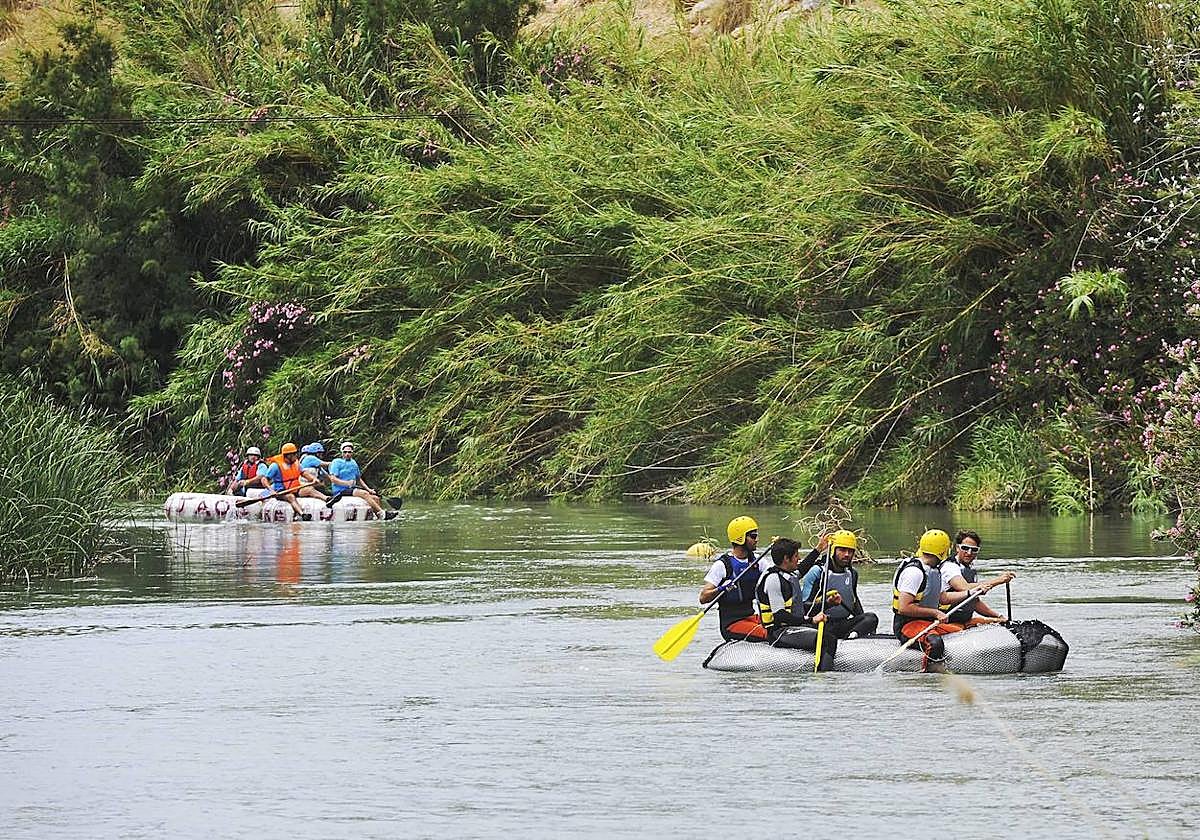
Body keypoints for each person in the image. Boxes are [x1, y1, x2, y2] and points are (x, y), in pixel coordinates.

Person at [891, 528, 1014, 672]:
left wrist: (970, 593)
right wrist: (935, 613)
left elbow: (943, 598)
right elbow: (904, 608)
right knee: (935, 643)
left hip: (927, 622)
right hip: (907, 625)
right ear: (944, 550)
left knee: (961, 630)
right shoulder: (914, 572)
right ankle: (931, 676)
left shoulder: (933, 570)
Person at [756, 538, 836, 670]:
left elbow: (803, 569)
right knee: (827, 639)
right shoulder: (773, 580)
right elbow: (780, 615)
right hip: (779, 633)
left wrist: (818, 549)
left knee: (832, 629)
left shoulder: (788, 575)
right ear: (786, 559)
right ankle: (825, 678)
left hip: (792, 628)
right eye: (796, 556)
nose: (799, 559)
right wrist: (810, 620)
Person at [699, 516, 772, 640]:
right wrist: (721, 589)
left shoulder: (758, 561)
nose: (757, 539)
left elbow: (777, 576)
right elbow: (703, 598)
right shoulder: (722, 565)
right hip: (732, 624)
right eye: (753, 536)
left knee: (779, 625)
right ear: (740, 538)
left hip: (750, 616)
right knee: (769, 633)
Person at [799, 529, 878, 640]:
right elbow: (804, 608)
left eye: (850, 551)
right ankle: (848, 637)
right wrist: (828, 604)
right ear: (833, 550)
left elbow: (854, 601)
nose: (847, 554)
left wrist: (867, 625)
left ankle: (851, 636)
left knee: (871, 618)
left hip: (842, 623)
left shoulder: (852, 573)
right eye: (842, 550)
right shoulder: (818, 572)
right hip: (820, 625)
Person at [941, 529, 1011, 625]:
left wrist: (999, 616)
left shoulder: (969, 569)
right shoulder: (949, 567)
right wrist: (998, 580)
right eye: (965, 548)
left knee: (998, 621)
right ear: (957, 548)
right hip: (945, 619)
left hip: (962, 620)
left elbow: (974, 601)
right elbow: (964, 588)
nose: (969, 553)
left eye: (974, 550)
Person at [328, 441, 393, 520]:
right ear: (342, 453)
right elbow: (333, 479)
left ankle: (379, 516)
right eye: (345, 452)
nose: (347, 454)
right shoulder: (336, 462)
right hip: (340, 491)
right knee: (364, 493)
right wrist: (346, 483)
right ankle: (382, 513)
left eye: (349, 452)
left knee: (376, 498)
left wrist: (369, 489)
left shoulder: (354, 463)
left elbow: (359, 479)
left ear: (352, 453)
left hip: (351, 490)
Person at [263, 442, 311, 521]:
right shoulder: (275, 466)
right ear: (289, 455)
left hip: (294, 489)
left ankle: (327, 499)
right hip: (281, 491)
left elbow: (304, 473)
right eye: (294, 454)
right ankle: (302, 514)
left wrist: (313, 479)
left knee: (310, 489)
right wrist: (271, 490)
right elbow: (264, 480)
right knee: (291, 497)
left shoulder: (296, 463)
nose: (296, 456)